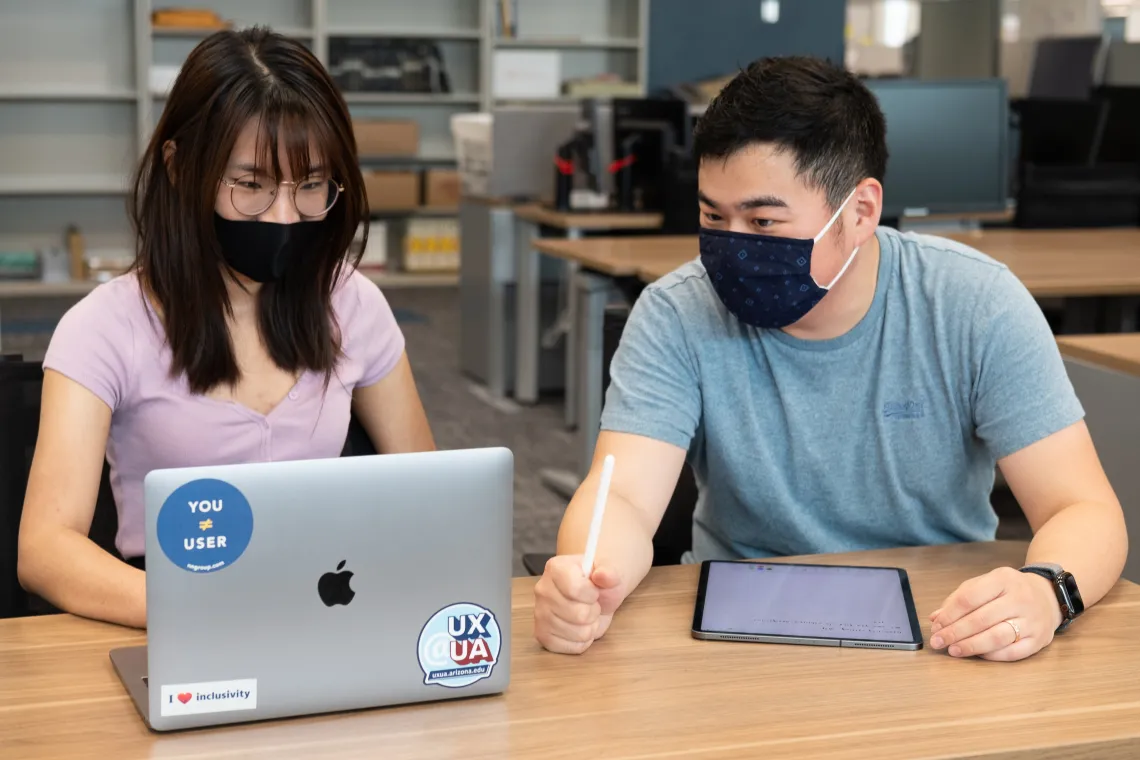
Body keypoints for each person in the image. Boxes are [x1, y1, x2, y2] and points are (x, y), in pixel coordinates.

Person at [534, 57, 1127, 662]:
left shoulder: (976, 303)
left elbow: (1082, 507)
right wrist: (590, 579)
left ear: (861, 211)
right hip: (739, 628)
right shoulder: (675, 313)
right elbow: (624, 497)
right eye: (713, 216)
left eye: (764, 220)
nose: (733, 244)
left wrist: (1047, 592)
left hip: (940, 628)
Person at [18, 28, 435, 628]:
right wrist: (213, 611)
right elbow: (45, 551)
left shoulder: (352, 304)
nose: (286, 215)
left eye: (312, 185)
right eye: (251, 186)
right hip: (173, 621)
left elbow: (430, 493)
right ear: (180, 166)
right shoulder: (102, 328)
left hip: (325, 613)